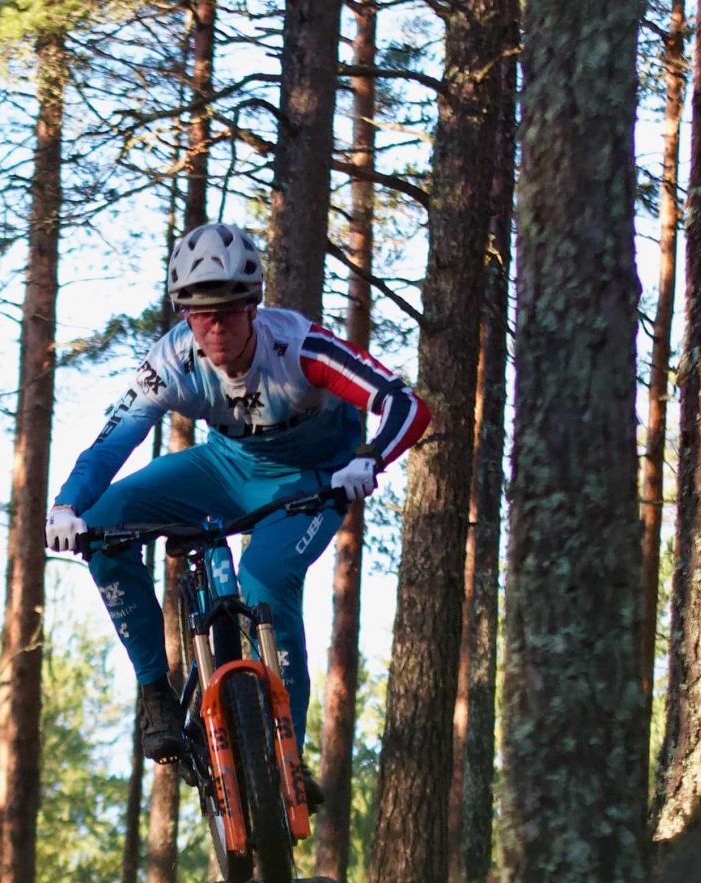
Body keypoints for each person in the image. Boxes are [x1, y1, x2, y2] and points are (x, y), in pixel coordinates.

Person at [45, 222, 430, 787]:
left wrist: (369, 457)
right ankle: (155, 688)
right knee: (103, 527)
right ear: (183, 315)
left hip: (309, 478)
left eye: (227, 308)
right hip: (224, 467)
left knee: (266, 578)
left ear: (253, 306)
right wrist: (66, 506)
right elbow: (112, 442)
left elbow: (402, 402)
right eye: (199, 312)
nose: (215, 325)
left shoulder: (299, 347)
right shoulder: (171, 361)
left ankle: (287, 757)